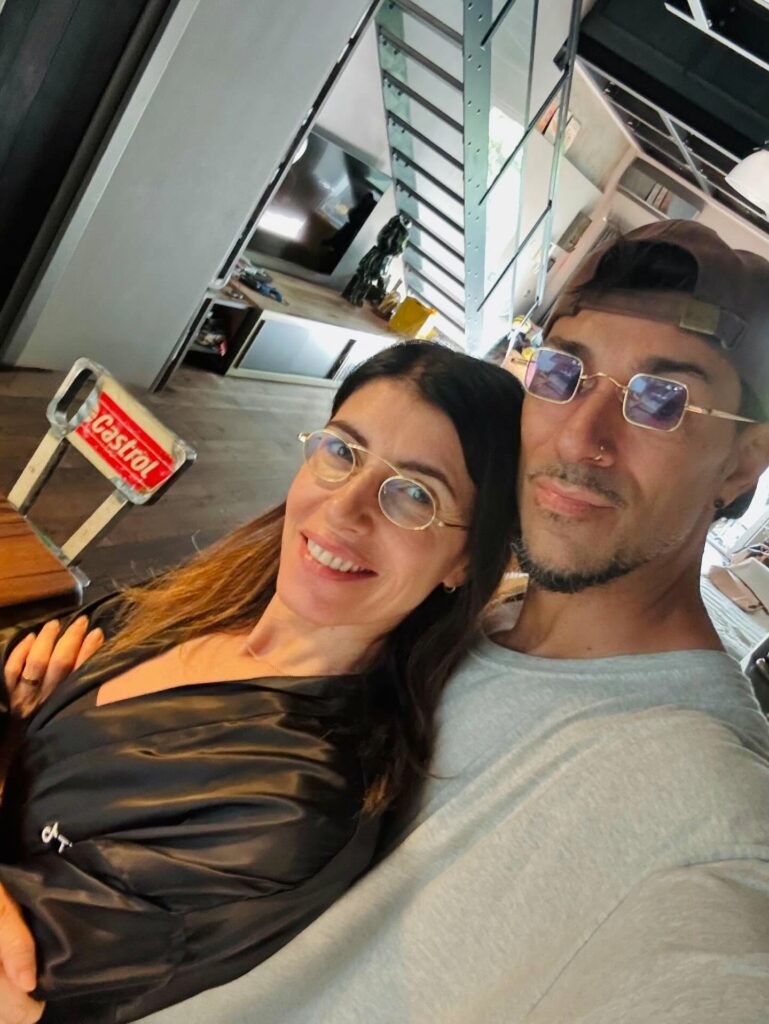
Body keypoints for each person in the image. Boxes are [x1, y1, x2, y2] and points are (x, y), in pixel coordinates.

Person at [131, 220, 769, 1024]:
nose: (580, 437)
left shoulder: (707, 809)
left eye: (660, 400)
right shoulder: (451, 607)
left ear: (742, 461)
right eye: (562, 372)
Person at [0, 341, 524, 1024]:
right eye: (342, 451)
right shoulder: (205, 596)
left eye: (414, 494)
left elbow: (19, 981)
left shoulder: (292, 807)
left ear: (465, 561)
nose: (344, 509)